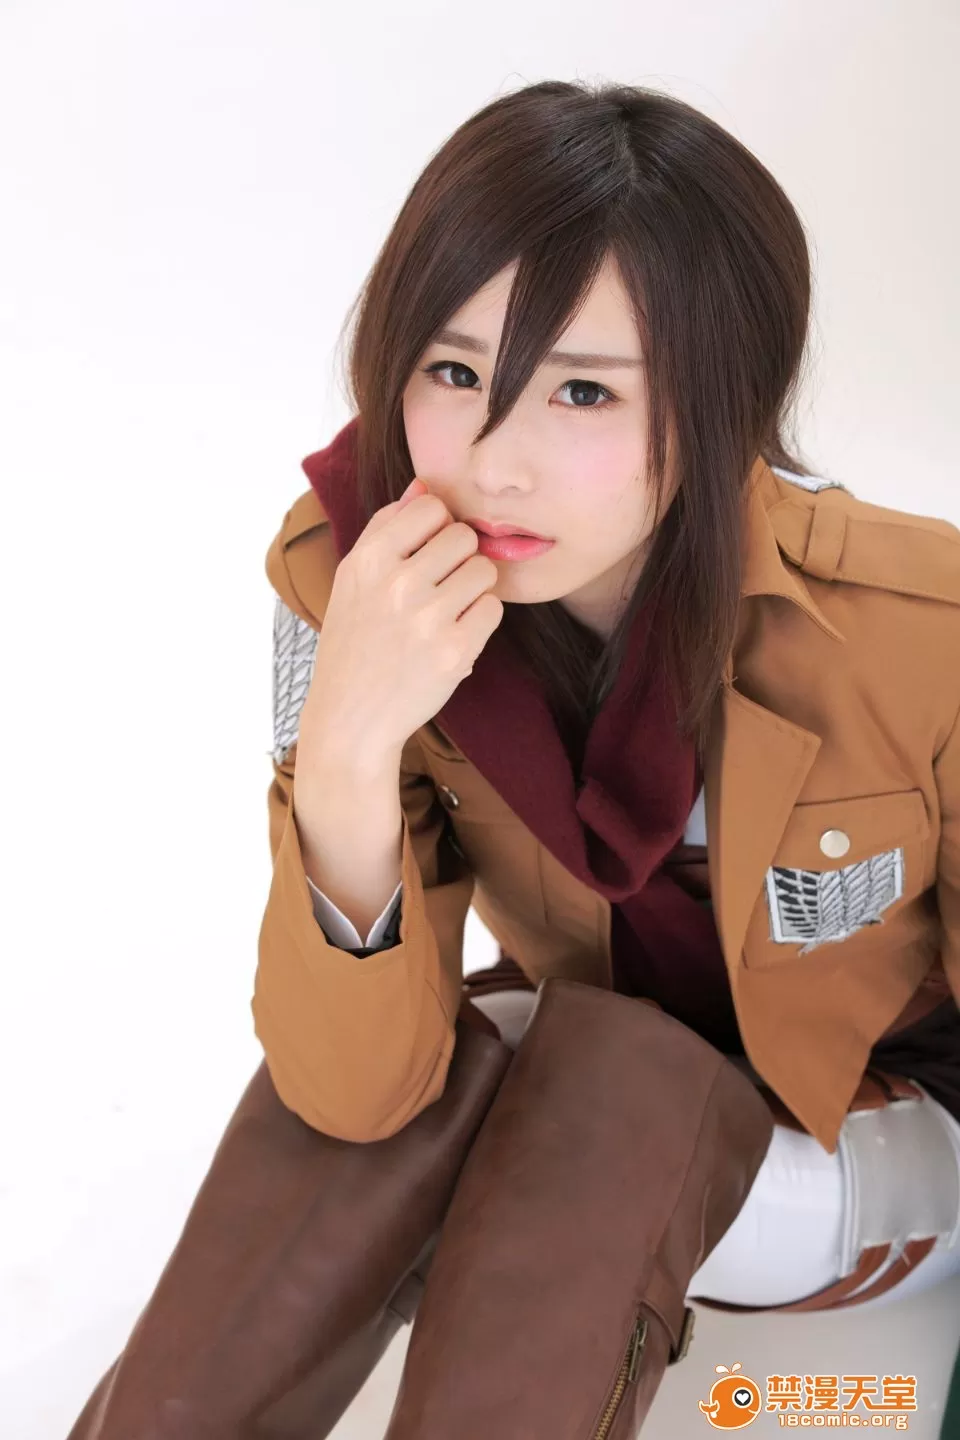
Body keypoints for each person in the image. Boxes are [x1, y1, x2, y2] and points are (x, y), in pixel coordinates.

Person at [252, 79, 960, 1434]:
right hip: (593, 1097)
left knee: (592, 1075)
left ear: (721, 399)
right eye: (455, 373)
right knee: (361, 1099)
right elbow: (350, 1094)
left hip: (873, 1138)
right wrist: (345, 749)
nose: (495, 463)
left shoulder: (919, 626)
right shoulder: (357, 582)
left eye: (582, 390)